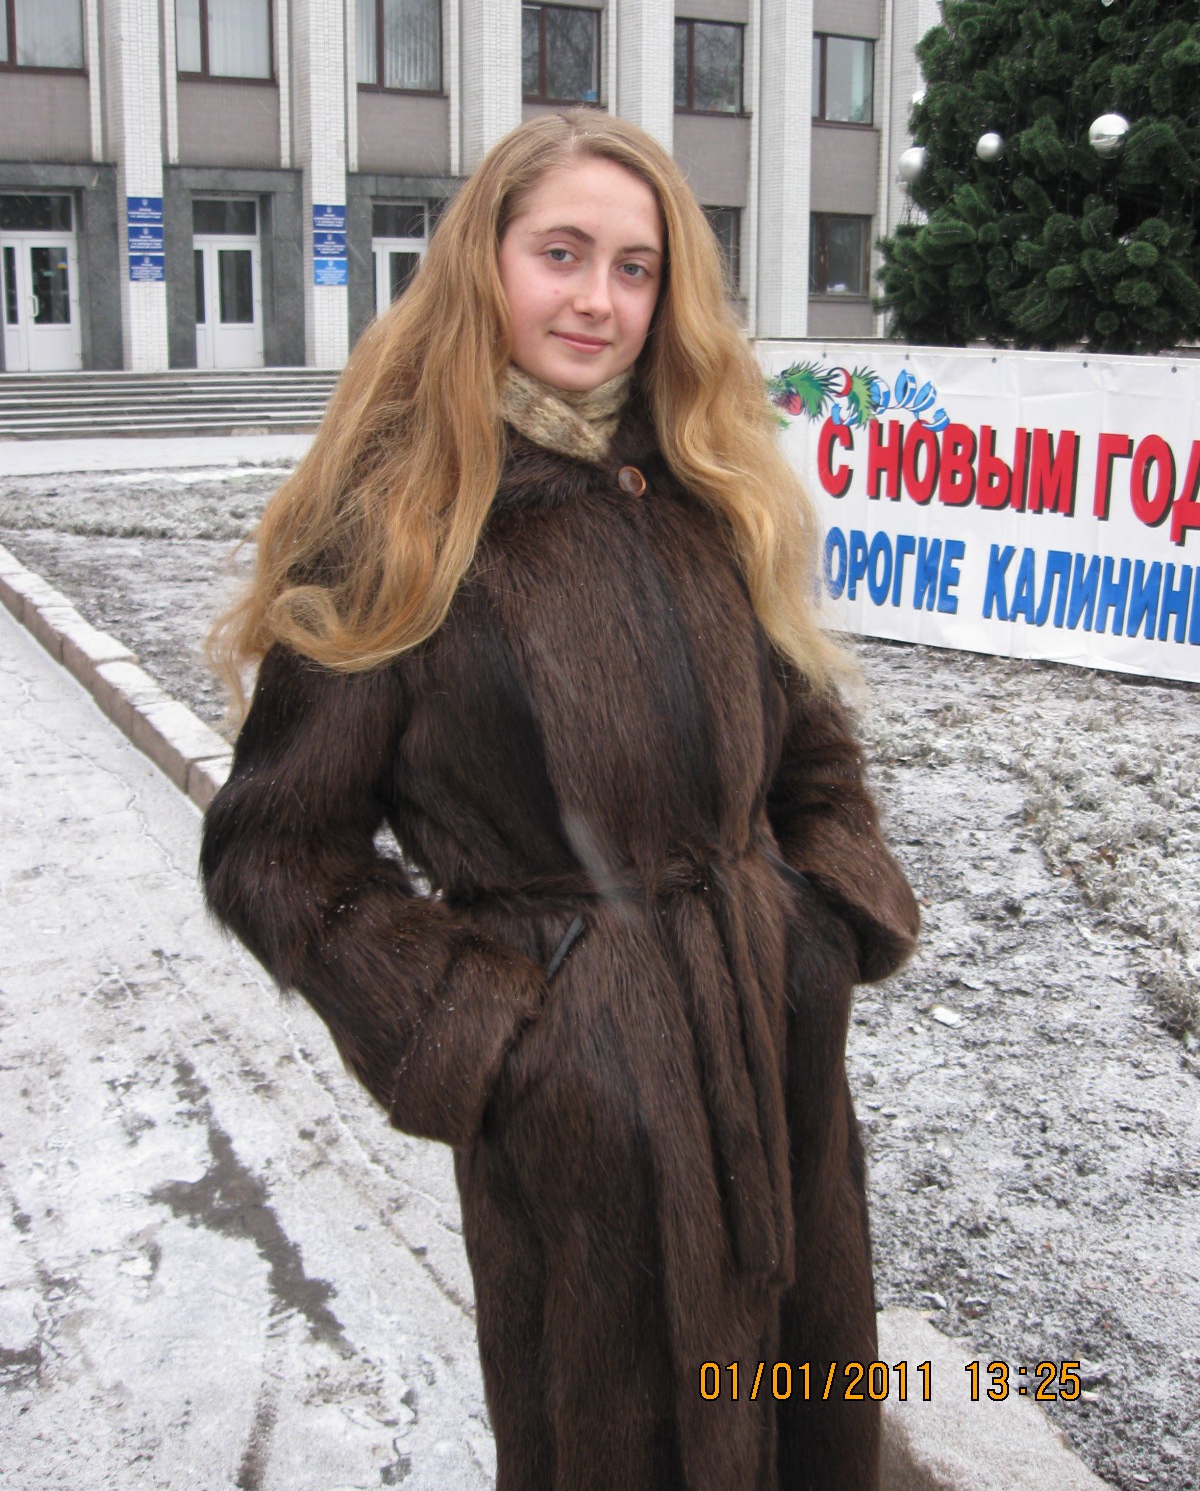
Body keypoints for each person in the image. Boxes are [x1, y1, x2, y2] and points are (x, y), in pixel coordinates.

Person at [201, 108, 919, 1491]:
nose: (599, 299)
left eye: (636, 268)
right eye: (562, 253)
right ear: (487, 262)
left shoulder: (712, 487)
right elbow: (275, 852)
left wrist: (822, 927)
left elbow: (813, 756)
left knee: (807, 1414)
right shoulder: (400, 520)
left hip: (776, 1058)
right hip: (583, 1125)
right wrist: (498, 1042)